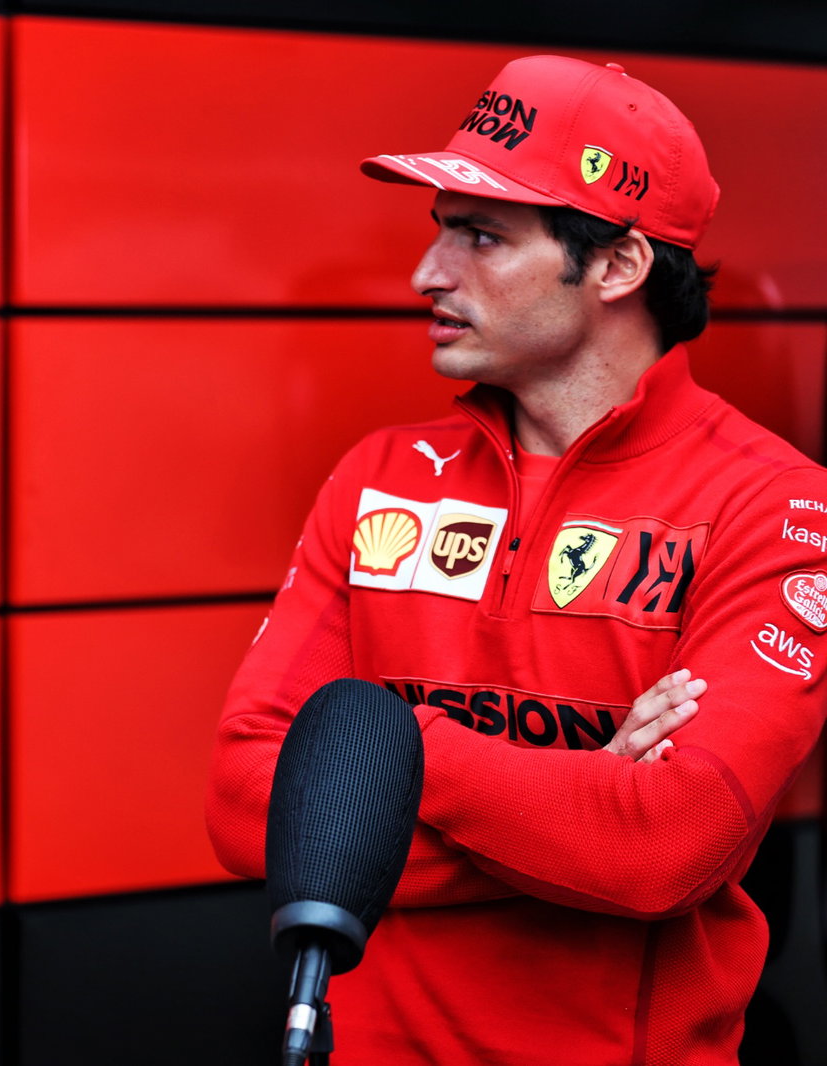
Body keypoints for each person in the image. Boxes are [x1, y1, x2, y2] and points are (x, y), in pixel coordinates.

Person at [206, 54, 827, 1065]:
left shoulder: (775, 504)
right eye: (439, 229)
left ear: (618, 267)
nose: (428, 274)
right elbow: (244, 807)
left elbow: (665, 848)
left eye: (481, 236)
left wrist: (381, 759)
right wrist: (583, 789)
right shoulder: (378, 477)